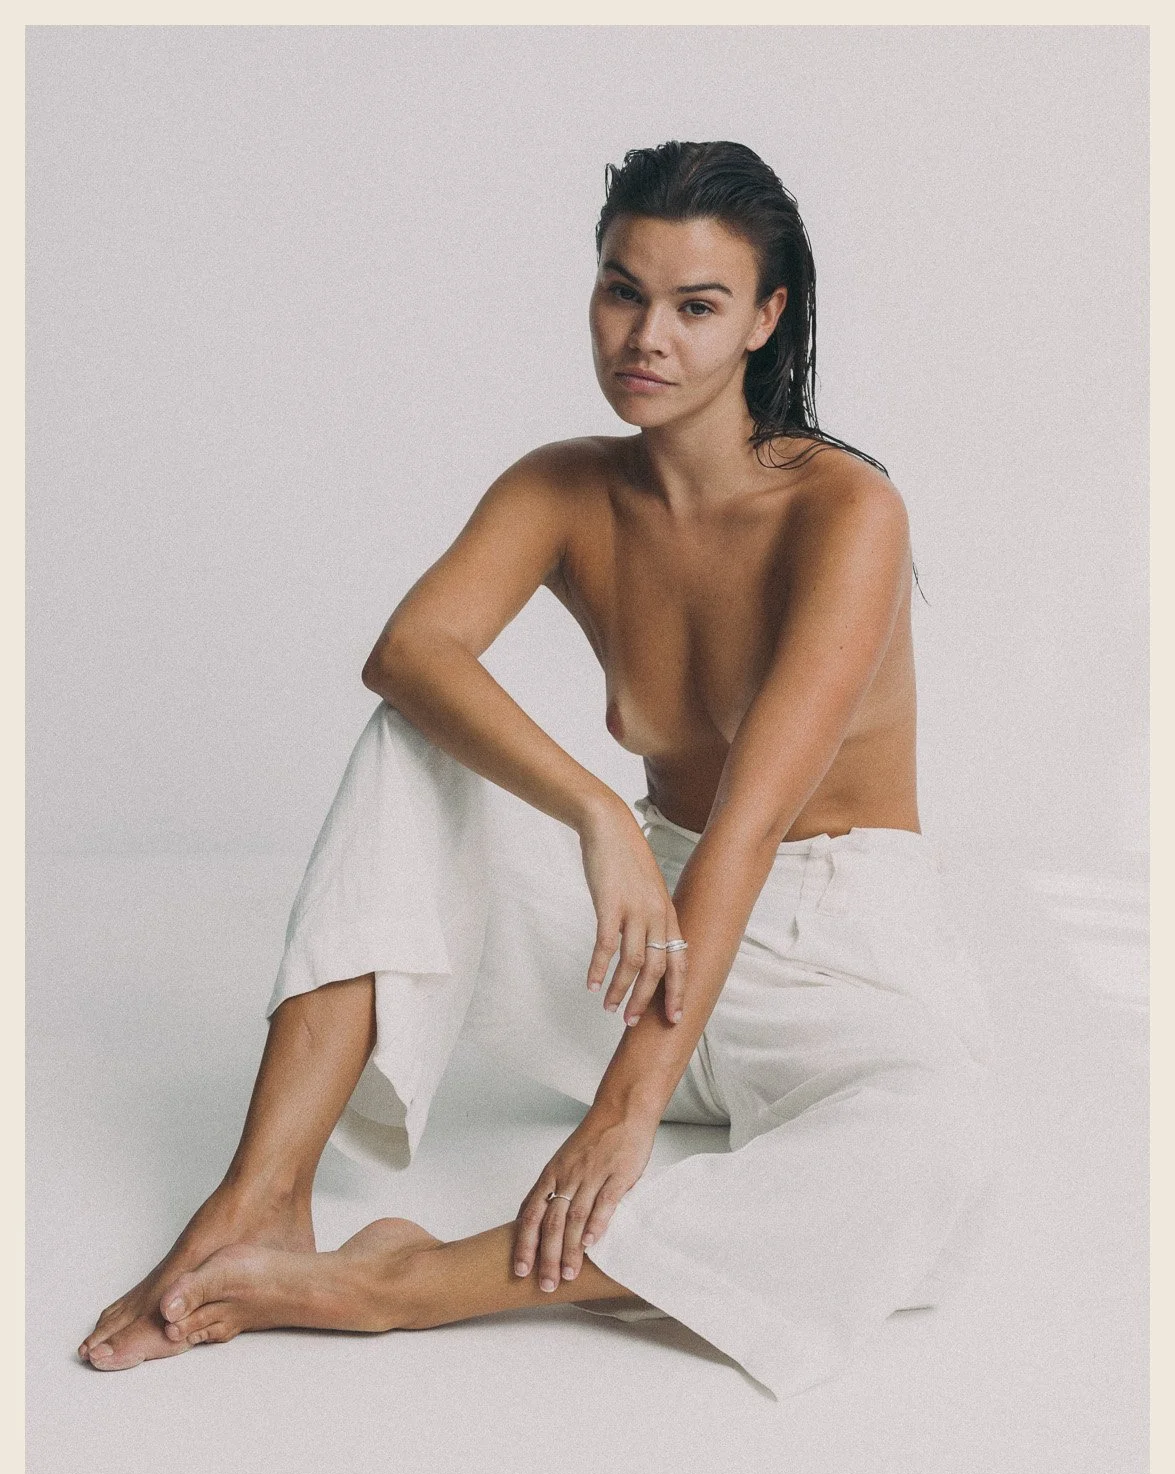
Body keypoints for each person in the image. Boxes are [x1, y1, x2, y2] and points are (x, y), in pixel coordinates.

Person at [78, 140, 996, 1400]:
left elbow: (746, 827)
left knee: (930, 1160)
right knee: (419, 743)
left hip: (829, 955)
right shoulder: (563, 485)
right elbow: (410, 651)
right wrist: (595, 818)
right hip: (645, 931)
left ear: (764, 320)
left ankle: (401, 1283)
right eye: (622, 289)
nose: (646, 337)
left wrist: (624, 1110)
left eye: (695, 305)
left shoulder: (844, 513)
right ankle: (261, 1195)